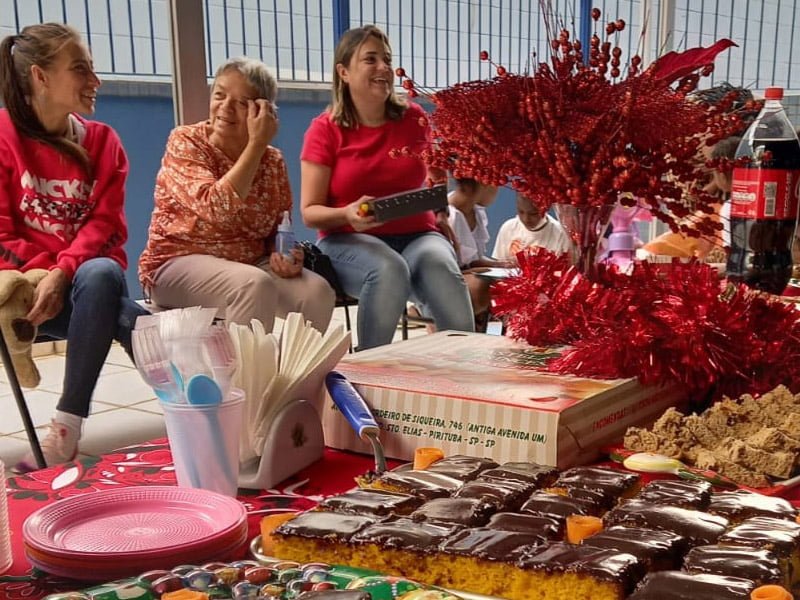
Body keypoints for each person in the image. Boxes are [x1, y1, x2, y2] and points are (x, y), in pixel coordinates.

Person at [0, 23, 150, 471]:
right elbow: (2, 233)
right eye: (80, 69)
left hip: (86, 285)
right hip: (30, 296)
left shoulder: (103, 142)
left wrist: (64, 271)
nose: (95, 81)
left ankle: (65, 425)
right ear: (40, 78)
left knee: (101, 273)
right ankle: (193, 392)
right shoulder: (4, 138)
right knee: (126, 316)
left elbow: (105, 227)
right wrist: (49, 273)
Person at [299, 25, 473, 350]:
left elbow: (436, 172)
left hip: (418, 236)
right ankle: (370, 377)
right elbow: (309, 212)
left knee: (443, 268)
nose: (383, 68)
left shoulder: (414, 118)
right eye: (371, 59)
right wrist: (347, 213)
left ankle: (462, 378)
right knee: (389, 269)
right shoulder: (324, 131)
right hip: (347, 240)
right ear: (344, 72)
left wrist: (441, 214)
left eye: (387, 60)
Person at [138, 57, 335, 333]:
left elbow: (280, 225)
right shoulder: (186, 141)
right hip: (177, 262)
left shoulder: (272, 161)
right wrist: (256, 144)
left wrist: (286, 255)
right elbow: (216, 207)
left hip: (249, 264)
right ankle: (244, 376)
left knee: (317, 293)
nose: (225, 108)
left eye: (242, 102)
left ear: (263, 112)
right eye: (219, 95)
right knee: (253, 285)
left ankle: (298, 374)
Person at [447, 178, 510, 328]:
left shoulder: (476, 212)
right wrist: (474, 271)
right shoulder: (448, 216)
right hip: (442, 281)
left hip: (463, 275)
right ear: (484, 183)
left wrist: (500, 264)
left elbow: (472, 259)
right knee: (482, 286)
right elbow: (442, 268)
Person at [493, 194, 574, 261]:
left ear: (545, 208)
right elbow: (499, 265)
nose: (526, 219)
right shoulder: (508, 228)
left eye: (533, 214)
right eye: (521, 212)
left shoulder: (560, 233)